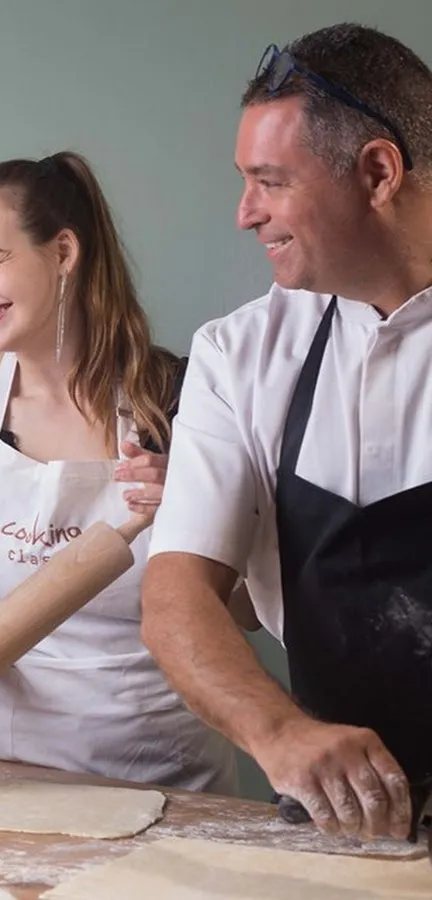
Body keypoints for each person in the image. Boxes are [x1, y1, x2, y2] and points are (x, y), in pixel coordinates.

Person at [0, 152, 238, 793]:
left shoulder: (182, 399)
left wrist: (201, 505)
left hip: (178, 779)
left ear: (63, 252)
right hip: (19, 776)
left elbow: (250, 610)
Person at [142, 23, 432, 841]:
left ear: (377, 173)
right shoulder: (238, 356)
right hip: (335, 823)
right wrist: (282, 737)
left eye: (269, 182)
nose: (246, 214)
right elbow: (175, 601)